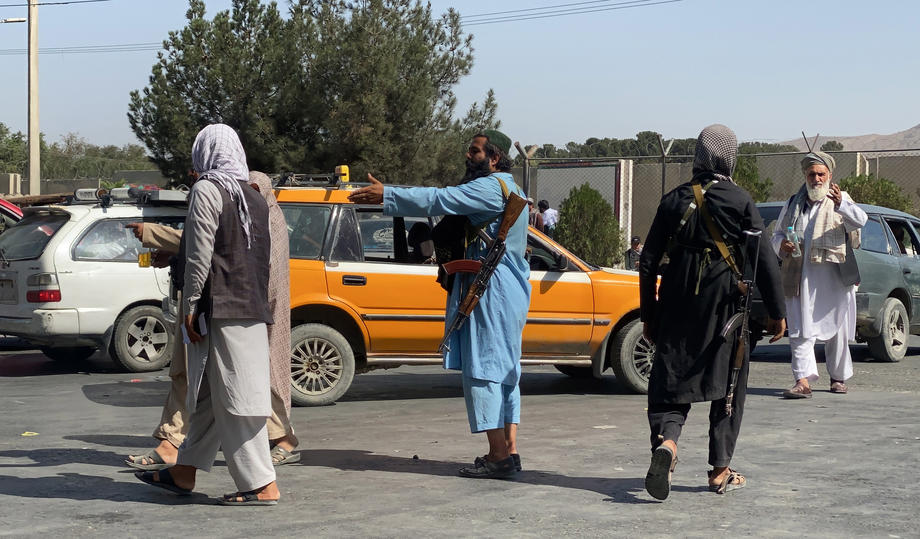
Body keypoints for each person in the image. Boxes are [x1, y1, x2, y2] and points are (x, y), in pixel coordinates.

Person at [348, 129, 530, 479]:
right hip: (509, 288)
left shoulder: (490, 187)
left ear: (494, 158)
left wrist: (388, 194)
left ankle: (497, 456)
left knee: (484, 369)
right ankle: (510, 450)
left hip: (489, 289)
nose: (468, 156)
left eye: (475, 152)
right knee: (506, 372)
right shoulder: (513, 188)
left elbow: (439, 199)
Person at [134, 123, 280, 505]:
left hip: (218, 308)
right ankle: (184, 472)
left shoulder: (207, 190)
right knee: (211, 394)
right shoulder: (255, 197)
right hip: (249, 306)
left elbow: (199, 253)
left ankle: (262, 484)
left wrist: (192, 304)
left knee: (236, 398)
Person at [639, 124, 786, 500]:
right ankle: (720, 470)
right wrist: (777, 311)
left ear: (698, 157)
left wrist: (650, 314)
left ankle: (668, 443)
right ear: (729, 157)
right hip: (724, 306)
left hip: (675, 299)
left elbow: (649, 260)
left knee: (670, 378)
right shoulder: (740, 201)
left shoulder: (673, 200)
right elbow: (764, 260)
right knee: (729, 381)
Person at [124, 174, 300, 471]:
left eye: (254, 190)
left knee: (246, 383)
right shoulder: (233, 204)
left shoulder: (261, 219)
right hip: (211, 306)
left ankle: (273, 452)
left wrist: (157, 234)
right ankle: (177, 450)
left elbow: (212, 242)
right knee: (196, 378)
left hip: (237, 310)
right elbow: (205, 245)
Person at [773, 151, 867, 399]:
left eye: (820, 174)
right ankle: (802, 381)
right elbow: (777, 234)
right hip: (800, 276)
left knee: (837, 329)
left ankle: (838, 376)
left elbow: (860, 221)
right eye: (811, 174)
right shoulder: (794, 202)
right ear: (805, 175)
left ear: (829, 176)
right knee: (800, 329)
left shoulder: (840, 198)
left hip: (835, 278)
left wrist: (841, 205)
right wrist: (782, 245)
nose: (816, 178)